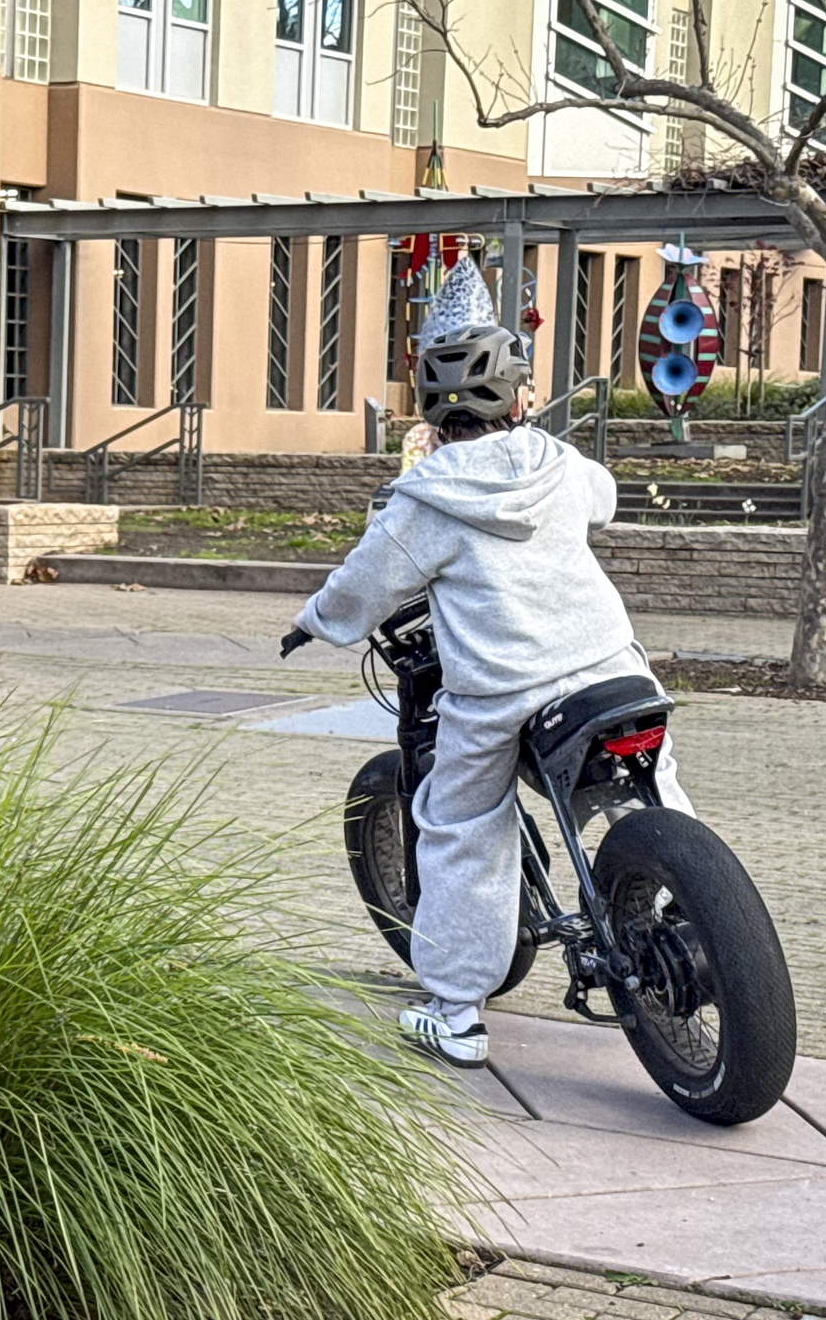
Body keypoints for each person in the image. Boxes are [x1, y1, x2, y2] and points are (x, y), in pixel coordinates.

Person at [282, 325, 689, 1068]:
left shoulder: (427, 498)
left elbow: (362, 589)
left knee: (462, 825)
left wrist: (314, 622)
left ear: (436, 411)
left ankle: (459, 1015)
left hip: (501, 693)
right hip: (609, 666)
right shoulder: (560, 463)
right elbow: (605, 499)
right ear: (518, 395)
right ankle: (686, 911)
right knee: (656, 780)